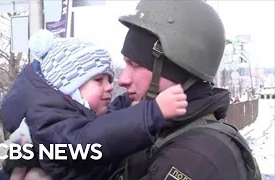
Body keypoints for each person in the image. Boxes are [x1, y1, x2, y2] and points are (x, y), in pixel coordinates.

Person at [0, 30, 188, 179]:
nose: (110, 87)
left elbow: (108, 120)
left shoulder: (77, 116)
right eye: (99, 80)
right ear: (69, 86)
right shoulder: (48, 120)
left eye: (109, 80)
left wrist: (130, 101)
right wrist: (153, 112)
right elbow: (90, 140)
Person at [105, 0, 261, 180]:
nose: (123, 79)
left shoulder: (197, 155)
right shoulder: (161, 130)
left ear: (176, 70)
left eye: (135, 65)